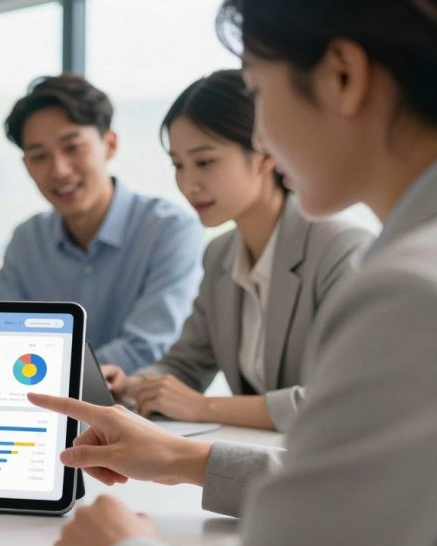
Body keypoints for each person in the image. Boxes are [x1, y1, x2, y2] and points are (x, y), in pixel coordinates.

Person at [28, 0, 437, 546]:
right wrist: (182, 455)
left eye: (259, 93)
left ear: (342, 76)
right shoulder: (231, 255)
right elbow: (365, 487)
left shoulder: (407, 292)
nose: (263, 132)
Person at [101, 70, 373, 431]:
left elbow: (343, 402)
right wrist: (134, 384)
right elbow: (186, 364)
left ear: (265, 154)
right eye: (178, 165)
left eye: (205, 161)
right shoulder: (220, 255)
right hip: (259, 463)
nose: (188, 183)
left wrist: (204, 407)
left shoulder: (340, 249)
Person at [0, 74, 204, 373]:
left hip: (137, 412)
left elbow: (149, 347)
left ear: (110, 144)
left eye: (72, 148)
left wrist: (54, 377)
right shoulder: (27, 240)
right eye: (39, 156)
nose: (60, 170)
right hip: (43, 407)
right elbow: (4, 340)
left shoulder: (170, 230)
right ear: (27, 166)